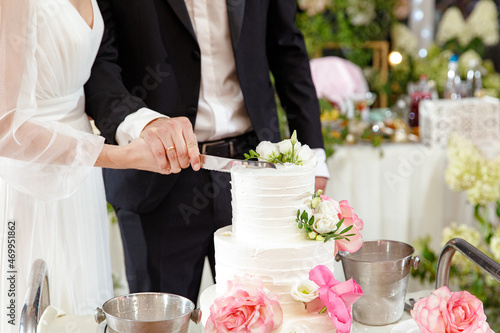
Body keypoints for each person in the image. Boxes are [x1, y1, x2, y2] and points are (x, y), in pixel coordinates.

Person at [85, 0, 330, 303]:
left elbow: (286, 47)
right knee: (162, 321)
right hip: (157, 172)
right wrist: (141, 124)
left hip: (252, 171)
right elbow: (98, 63)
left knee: (263, 313)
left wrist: (314, 154)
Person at [0, 1, 199, 331]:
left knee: (82, 309)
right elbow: (6, 128)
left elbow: (98, 79)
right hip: (31, 184)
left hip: (80, 181)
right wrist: (121, 157)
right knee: (33, 310)